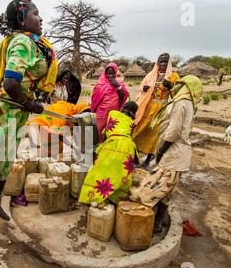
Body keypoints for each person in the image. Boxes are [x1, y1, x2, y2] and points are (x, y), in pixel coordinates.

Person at [0, 0, 58, 227]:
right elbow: (11, 83)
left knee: (7, 158)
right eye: (36, 14)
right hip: (2, 110)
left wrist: (31, 101)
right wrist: (30, 104)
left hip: (16, 111)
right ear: (22, 18)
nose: (41, 18)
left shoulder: (35, 43)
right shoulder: (22, 42)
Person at [130, 75, 203, 233]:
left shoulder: (181, 102)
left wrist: (161, 151)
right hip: (179, 155)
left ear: (185, 86)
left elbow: (174, 131)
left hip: (173, 153)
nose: (176, 86)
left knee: (153, 190)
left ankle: (145, 222)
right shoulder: (189, 102)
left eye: (180, 84)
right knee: (168, 191)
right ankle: (158, 221)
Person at [79, 102, 138, 205]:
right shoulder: (132, 123)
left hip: (113, 142)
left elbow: (107, 132)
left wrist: (100, 149)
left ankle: (92, 197)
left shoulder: (113, 113)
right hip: (128, 147)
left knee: (100, 169)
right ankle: (116, 199)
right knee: (120, 172)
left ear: (123, 107)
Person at [132, 53, 180, 169]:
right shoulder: (150, 75)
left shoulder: (174, 77)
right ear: (157, 63)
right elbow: (141, 90)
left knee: (154, 136)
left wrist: (170, 88)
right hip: (147, 108)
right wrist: (144, 90)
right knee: (138, 131)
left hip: (160, 110)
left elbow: (177, 95)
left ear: (168, 63)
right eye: (160, 61)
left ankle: (148, 161)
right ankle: (134, 158)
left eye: (165, 62)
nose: (162, 64)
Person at [91, 63, 129, 142]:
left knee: (110, 131)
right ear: (105, 73)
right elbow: (95, 98)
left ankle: (107, 148)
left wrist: (118, 86)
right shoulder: (100, 83)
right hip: (101, 113)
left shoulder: (119, 83)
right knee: (99, 131)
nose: (110, 76)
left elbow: (122, 97)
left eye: (112, 73)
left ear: (115, 73)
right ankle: (97, 149)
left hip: (113, 113)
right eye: (108, 73)